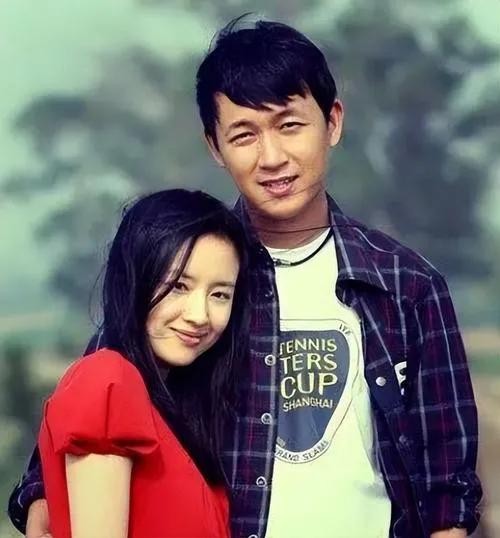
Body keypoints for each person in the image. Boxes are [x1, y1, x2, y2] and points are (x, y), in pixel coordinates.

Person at [9, 17, 481, 538]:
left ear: (333, 122)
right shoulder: (180, 283)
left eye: (290, 125)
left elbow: (448, 491)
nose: (271, 157)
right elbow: (61, 459)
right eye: (243, 135)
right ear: (214, 146)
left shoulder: (406, 285)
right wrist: (44, 502)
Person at [21, 188, 250, 537]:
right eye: (178, 286)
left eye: (220, 294)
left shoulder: (180, 411)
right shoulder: (108, 381)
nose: (199, 315)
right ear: (133, 281)